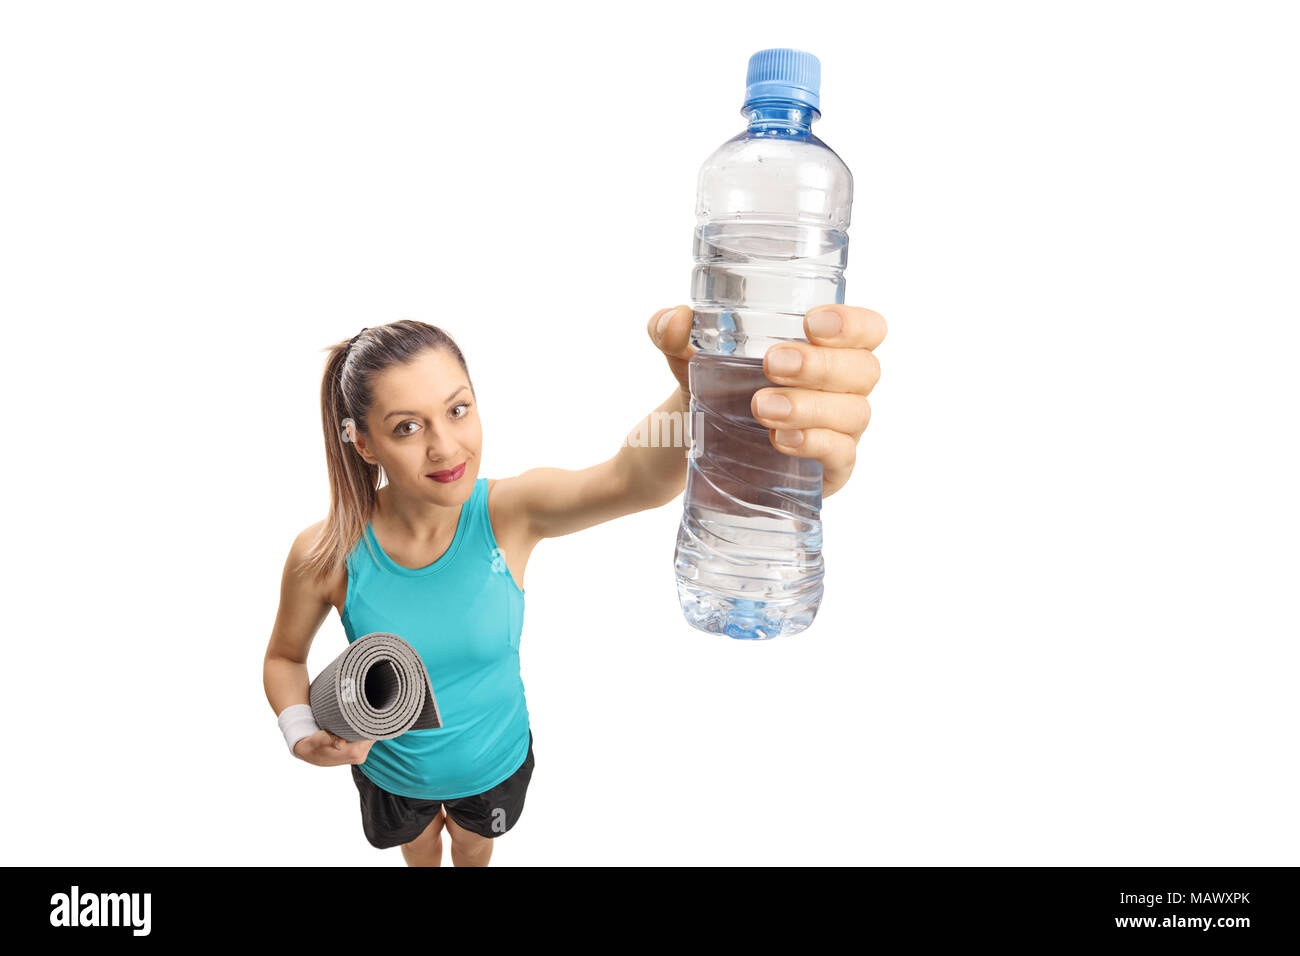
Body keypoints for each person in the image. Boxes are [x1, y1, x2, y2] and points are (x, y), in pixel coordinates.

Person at [262, 303, 886, 866]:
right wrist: (299, 732)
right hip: (391, 774)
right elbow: (284, 657)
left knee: (475, 850)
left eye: (458, 410)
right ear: (362, 442)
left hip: (494, 762)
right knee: (420, 852)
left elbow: (630, 479)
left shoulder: (508, 514)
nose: (445, 446)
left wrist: (699, 395)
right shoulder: (326, 553)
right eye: (407, 428)